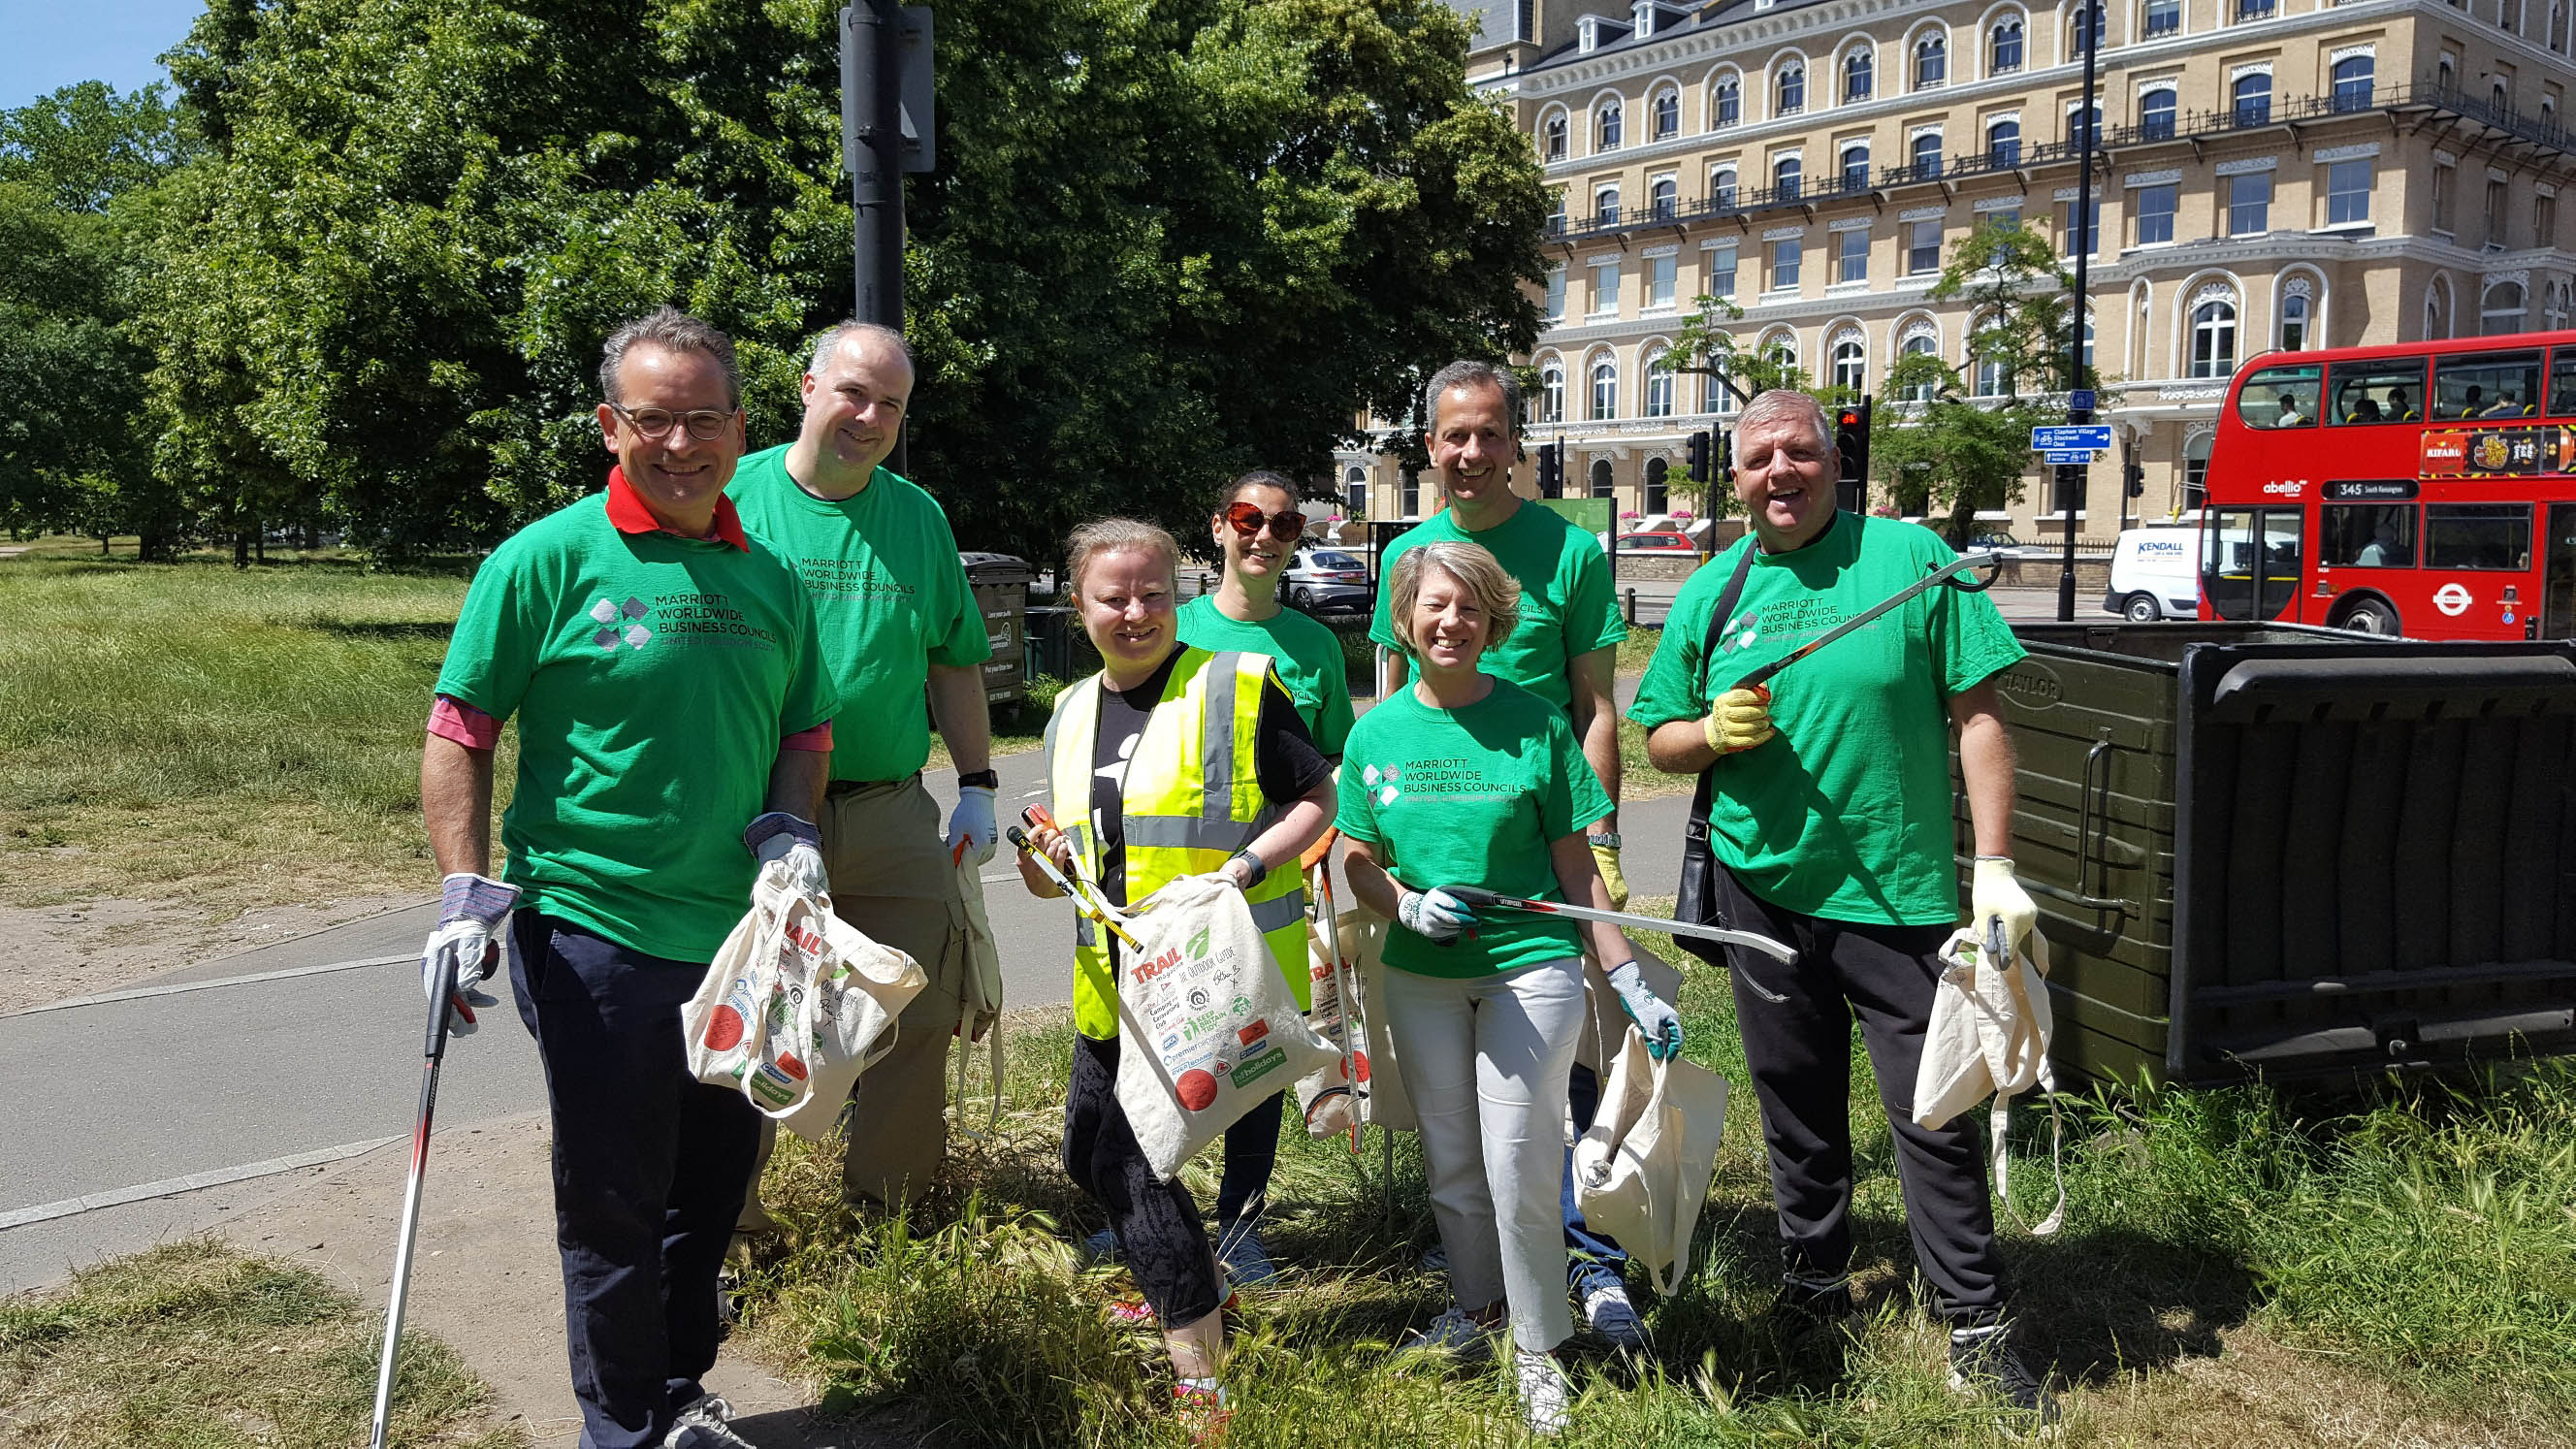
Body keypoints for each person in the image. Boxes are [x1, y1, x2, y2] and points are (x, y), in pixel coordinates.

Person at [418, 307, 840, 1449]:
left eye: (704, 418)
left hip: (743, 941)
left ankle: (679, 1391)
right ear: (611, 426)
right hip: (593, 928)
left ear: (740, 427)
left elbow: (806, 730)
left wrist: (790, 831)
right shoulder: (544, 560)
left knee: (712, 1188)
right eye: (652, 419)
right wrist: (465, 895)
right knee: (614, 1194)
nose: (680, 442)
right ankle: (625, 1426)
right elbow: (461, 726)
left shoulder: (773, 581)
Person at [1628, 389, 2059, 1427]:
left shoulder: (1910, 563)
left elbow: (1980, 718)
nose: (1781, 472)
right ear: (1732, 479)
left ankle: (1974, 1321)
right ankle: (1814, 1284)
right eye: (1758, 459)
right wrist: (1709, 735)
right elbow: (1657, 737)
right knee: (1797, 1108)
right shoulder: (1713, 591)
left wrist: (1992, 866)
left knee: (1935, 1113)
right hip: (1761, 888)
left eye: (1800, 452)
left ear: (1835, 459)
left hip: (1899, 895)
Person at [1338, 539, 1679, 1437]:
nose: (1451, 622)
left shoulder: (1536, 722)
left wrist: (1628, 978)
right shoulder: (1376, 733)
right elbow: (1355, 859)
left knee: (1521, 1163)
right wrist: (1404, 906)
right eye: (1433, 606)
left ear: (1493, 621)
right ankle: (1478, 1309)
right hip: (1421, 978)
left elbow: (1577, 870)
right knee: (1451, 1165)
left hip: (1534, 968)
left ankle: (1538, 1348)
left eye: (1469, 608)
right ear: (1406, 619)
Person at [1017, 518, 1336, 1434]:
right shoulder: (1072, 710)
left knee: (1132, 1167)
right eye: (1112, 596)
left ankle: (1200, 1370)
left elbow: (1320, 793)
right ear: (1076, 606)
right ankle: (1203, 1297)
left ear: (1180, 593)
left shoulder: (1235, 687)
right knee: (1088, 1156)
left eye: (1153, 592)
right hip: (1107, 985)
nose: (1135, 611)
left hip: (1206, 987)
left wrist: (1242, 868)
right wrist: (1046, 858)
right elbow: (1059, 877)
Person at [1368, 360, 1649, 1349]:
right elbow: (1390, 706)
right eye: (1454, 436)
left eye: (1490, 434)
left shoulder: (1568, 552)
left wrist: (1602, 841)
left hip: (1550, 833)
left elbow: (1597, 706)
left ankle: (1593, 1269)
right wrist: (1392, 881)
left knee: (1565, 1079)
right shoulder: (1408, 553)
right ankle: (1485, 1292)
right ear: (1430, 447)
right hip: (1442, 868)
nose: (1472, 453)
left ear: (1515, 445)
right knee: (1461, 1114)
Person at [726, 321, 996, 1215]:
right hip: (755, 810)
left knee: (916, 1008)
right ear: (807, 388)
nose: (869, 415)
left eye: (890, 403)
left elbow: (954, 657)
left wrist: (980, 784)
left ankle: (893, 1216)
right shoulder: (732, 496)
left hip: (888, 807)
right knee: (757, 1014)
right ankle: (728, 1229)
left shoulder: (916, 516)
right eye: (853, 392)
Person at [1093, 468, 1355, 1285]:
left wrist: (1309, 851)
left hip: (1270, 890)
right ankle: (1146, 1212)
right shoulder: (1173, 623)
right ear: (1217, 527)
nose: (1265, 535)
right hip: (1165, 901)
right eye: (1248, 518)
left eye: (1283, 524)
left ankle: (1242, 1225)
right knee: (1152, 1050)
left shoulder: (1313, 646)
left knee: (1253, 1060)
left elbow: (1328, 766)